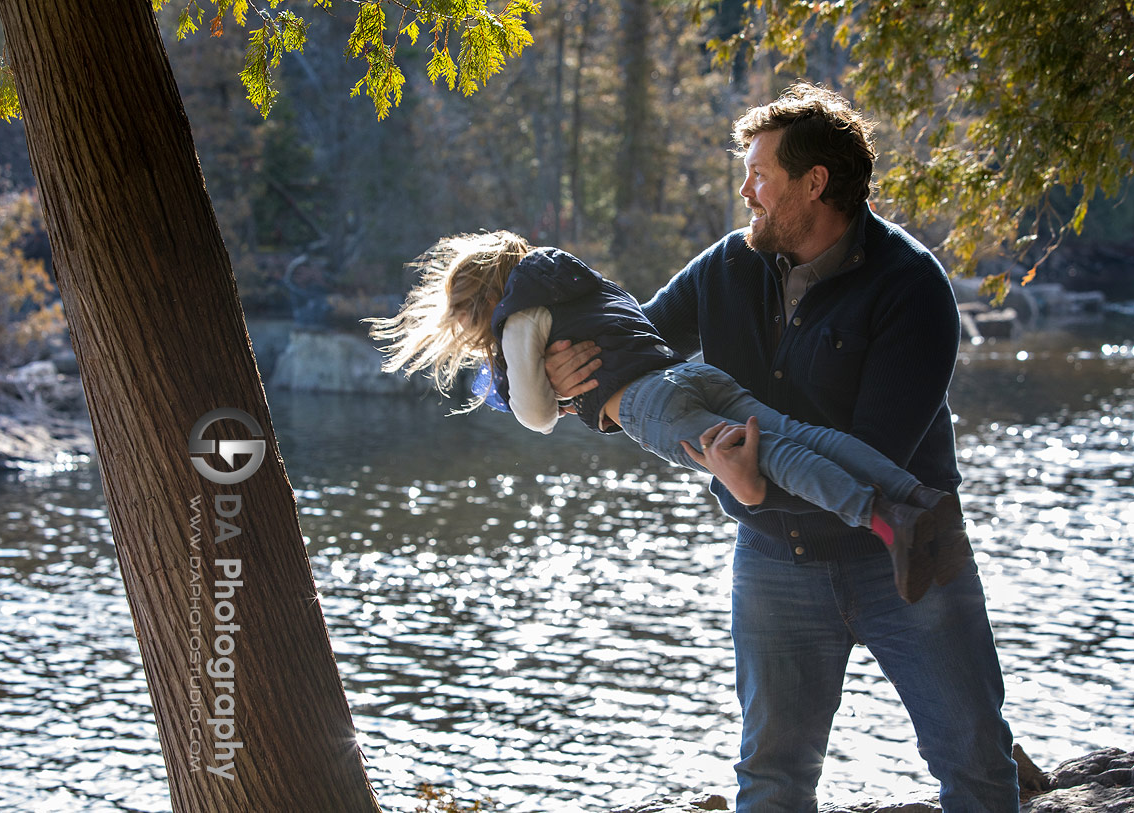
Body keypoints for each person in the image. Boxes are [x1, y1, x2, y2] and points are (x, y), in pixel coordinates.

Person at [544, 82, 1019, 811]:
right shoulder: (727, 266)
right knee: (772, 781)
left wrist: (752, 484)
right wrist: (575, 380)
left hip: (908, 554)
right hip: (774, 565)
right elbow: (637, 348)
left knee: (977, 766)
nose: (745, 191)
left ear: (814, 183)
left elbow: (872, 453)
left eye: (759, 174)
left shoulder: (911, 286)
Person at [368, 230, 958, 604]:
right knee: (800, 434)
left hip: (651, 406)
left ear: (484, 305)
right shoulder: (575, 279)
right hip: (692, 373)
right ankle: (918, 498)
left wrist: (543, 384)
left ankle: (885, 520)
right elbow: (639, 324)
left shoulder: (520, 317)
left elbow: (536, 415)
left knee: (771, 457)